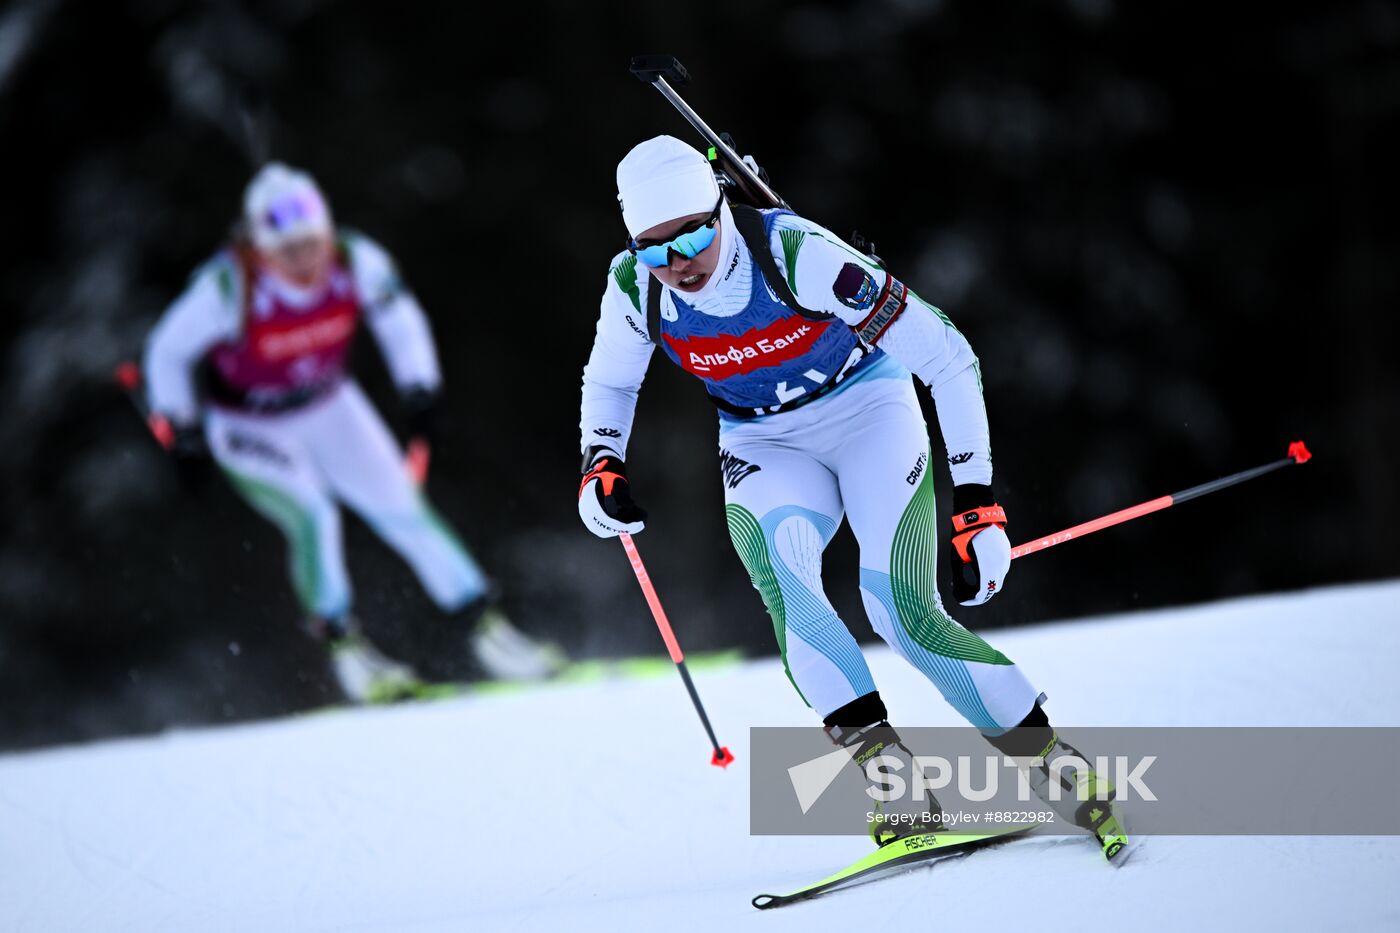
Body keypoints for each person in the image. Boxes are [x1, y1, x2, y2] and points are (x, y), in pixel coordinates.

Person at [578, 136, 1125, 858]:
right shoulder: (632, 286)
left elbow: (948, 356)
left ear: (722, 209)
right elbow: (611, 382)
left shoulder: (798, 254)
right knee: (792, 593)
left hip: (869, 412)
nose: (679, 263)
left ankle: (1057, 765)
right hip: (762, 442)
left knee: (901, 609)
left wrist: (978, 502)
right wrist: (601, 461)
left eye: (697, 234)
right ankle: (900, 791)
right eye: (655, 249)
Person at [145, 162, 560, 701]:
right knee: (314, 514)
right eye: (288, 251)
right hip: (248, 425)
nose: (305, 261)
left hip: (330, 404)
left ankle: (489, 631)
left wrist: (420, 390)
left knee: (403, 507)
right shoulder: (227, 286)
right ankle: (346, 650)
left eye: (312, 244)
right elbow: (166, 353)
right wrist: (181, 430)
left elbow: (400, 322)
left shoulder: (355, 260)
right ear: (259, 248)